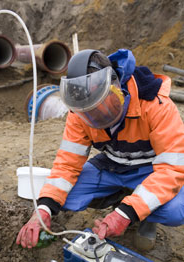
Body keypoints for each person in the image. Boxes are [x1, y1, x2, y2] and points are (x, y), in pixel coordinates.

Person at [16, 48, 184, 251]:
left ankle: (142, 215)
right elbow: (67, 164)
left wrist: (125, 214)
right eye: (88, 112)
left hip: (150, 171)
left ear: (115, 87)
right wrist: (43, 209)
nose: (95, 117)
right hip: (111, 167)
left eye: (100, 106)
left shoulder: (156, 104)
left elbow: (171, 170)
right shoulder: (78, 112)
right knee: (62, 198)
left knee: (175, 211)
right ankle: (124, 198)